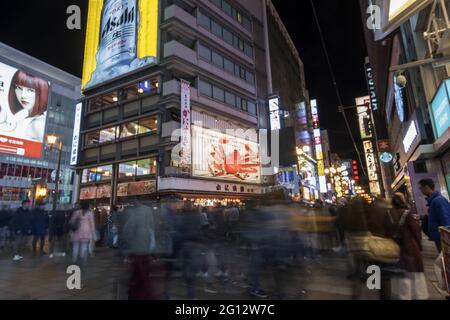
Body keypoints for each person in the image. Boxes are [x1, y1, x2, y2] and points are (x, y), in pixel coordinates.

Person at [388, 193, 429, 300]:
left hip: (395, 248)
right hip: (410, 247)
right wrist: (419, 246)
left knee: (401, 273)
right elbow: (416, 231)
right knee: (415, 274)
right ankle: (419, 295)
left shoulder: (389, 214)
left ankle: (403, 296)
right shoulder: (407, 214)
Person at [7, 70, 49, 141]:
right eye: (19, 88)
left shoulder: (38, 124)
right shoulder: (23, 117)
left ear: (42, 92)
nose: (23, 95)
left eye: (30, 90)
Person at [418, 179, 450, 252]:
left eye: (421, 188)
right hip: (440, 237)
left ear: (426, 187)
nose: (421, 190)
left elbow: (446, 220)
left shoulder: (438, 200)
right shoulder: (434, 201)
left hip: (442, 239)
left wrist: (447, 239)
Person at [70, 201, 96, 265]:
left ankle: (74, 259)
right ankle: (82, 258)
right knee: (84, 246)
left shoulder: (77, 212)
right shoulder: (90, 213)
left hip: (77, 231)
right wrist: (93, 233)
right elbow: (92, 224)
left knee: (75, 246)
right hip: (86, 232)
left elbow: (71, 221)